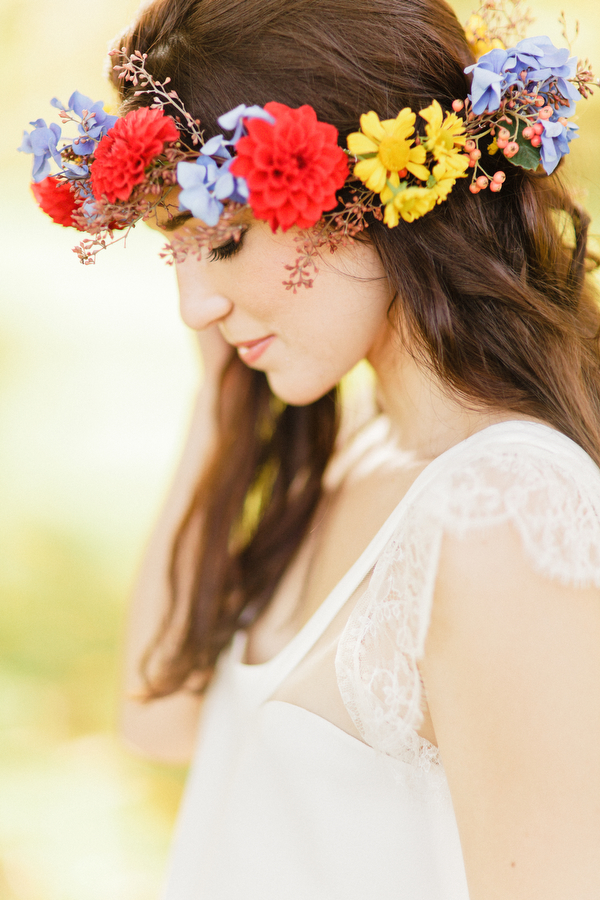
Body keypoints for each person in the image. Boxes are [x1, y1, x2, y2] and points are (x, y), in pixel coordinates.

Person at [21, 0, 600, 896]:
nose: (193, 308)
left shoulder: (503, 508)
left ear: (365, 200)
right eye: (175, 255)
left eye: (226, 239)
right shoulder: (364, 450)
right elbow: (160, 717)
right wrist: (221, 411)